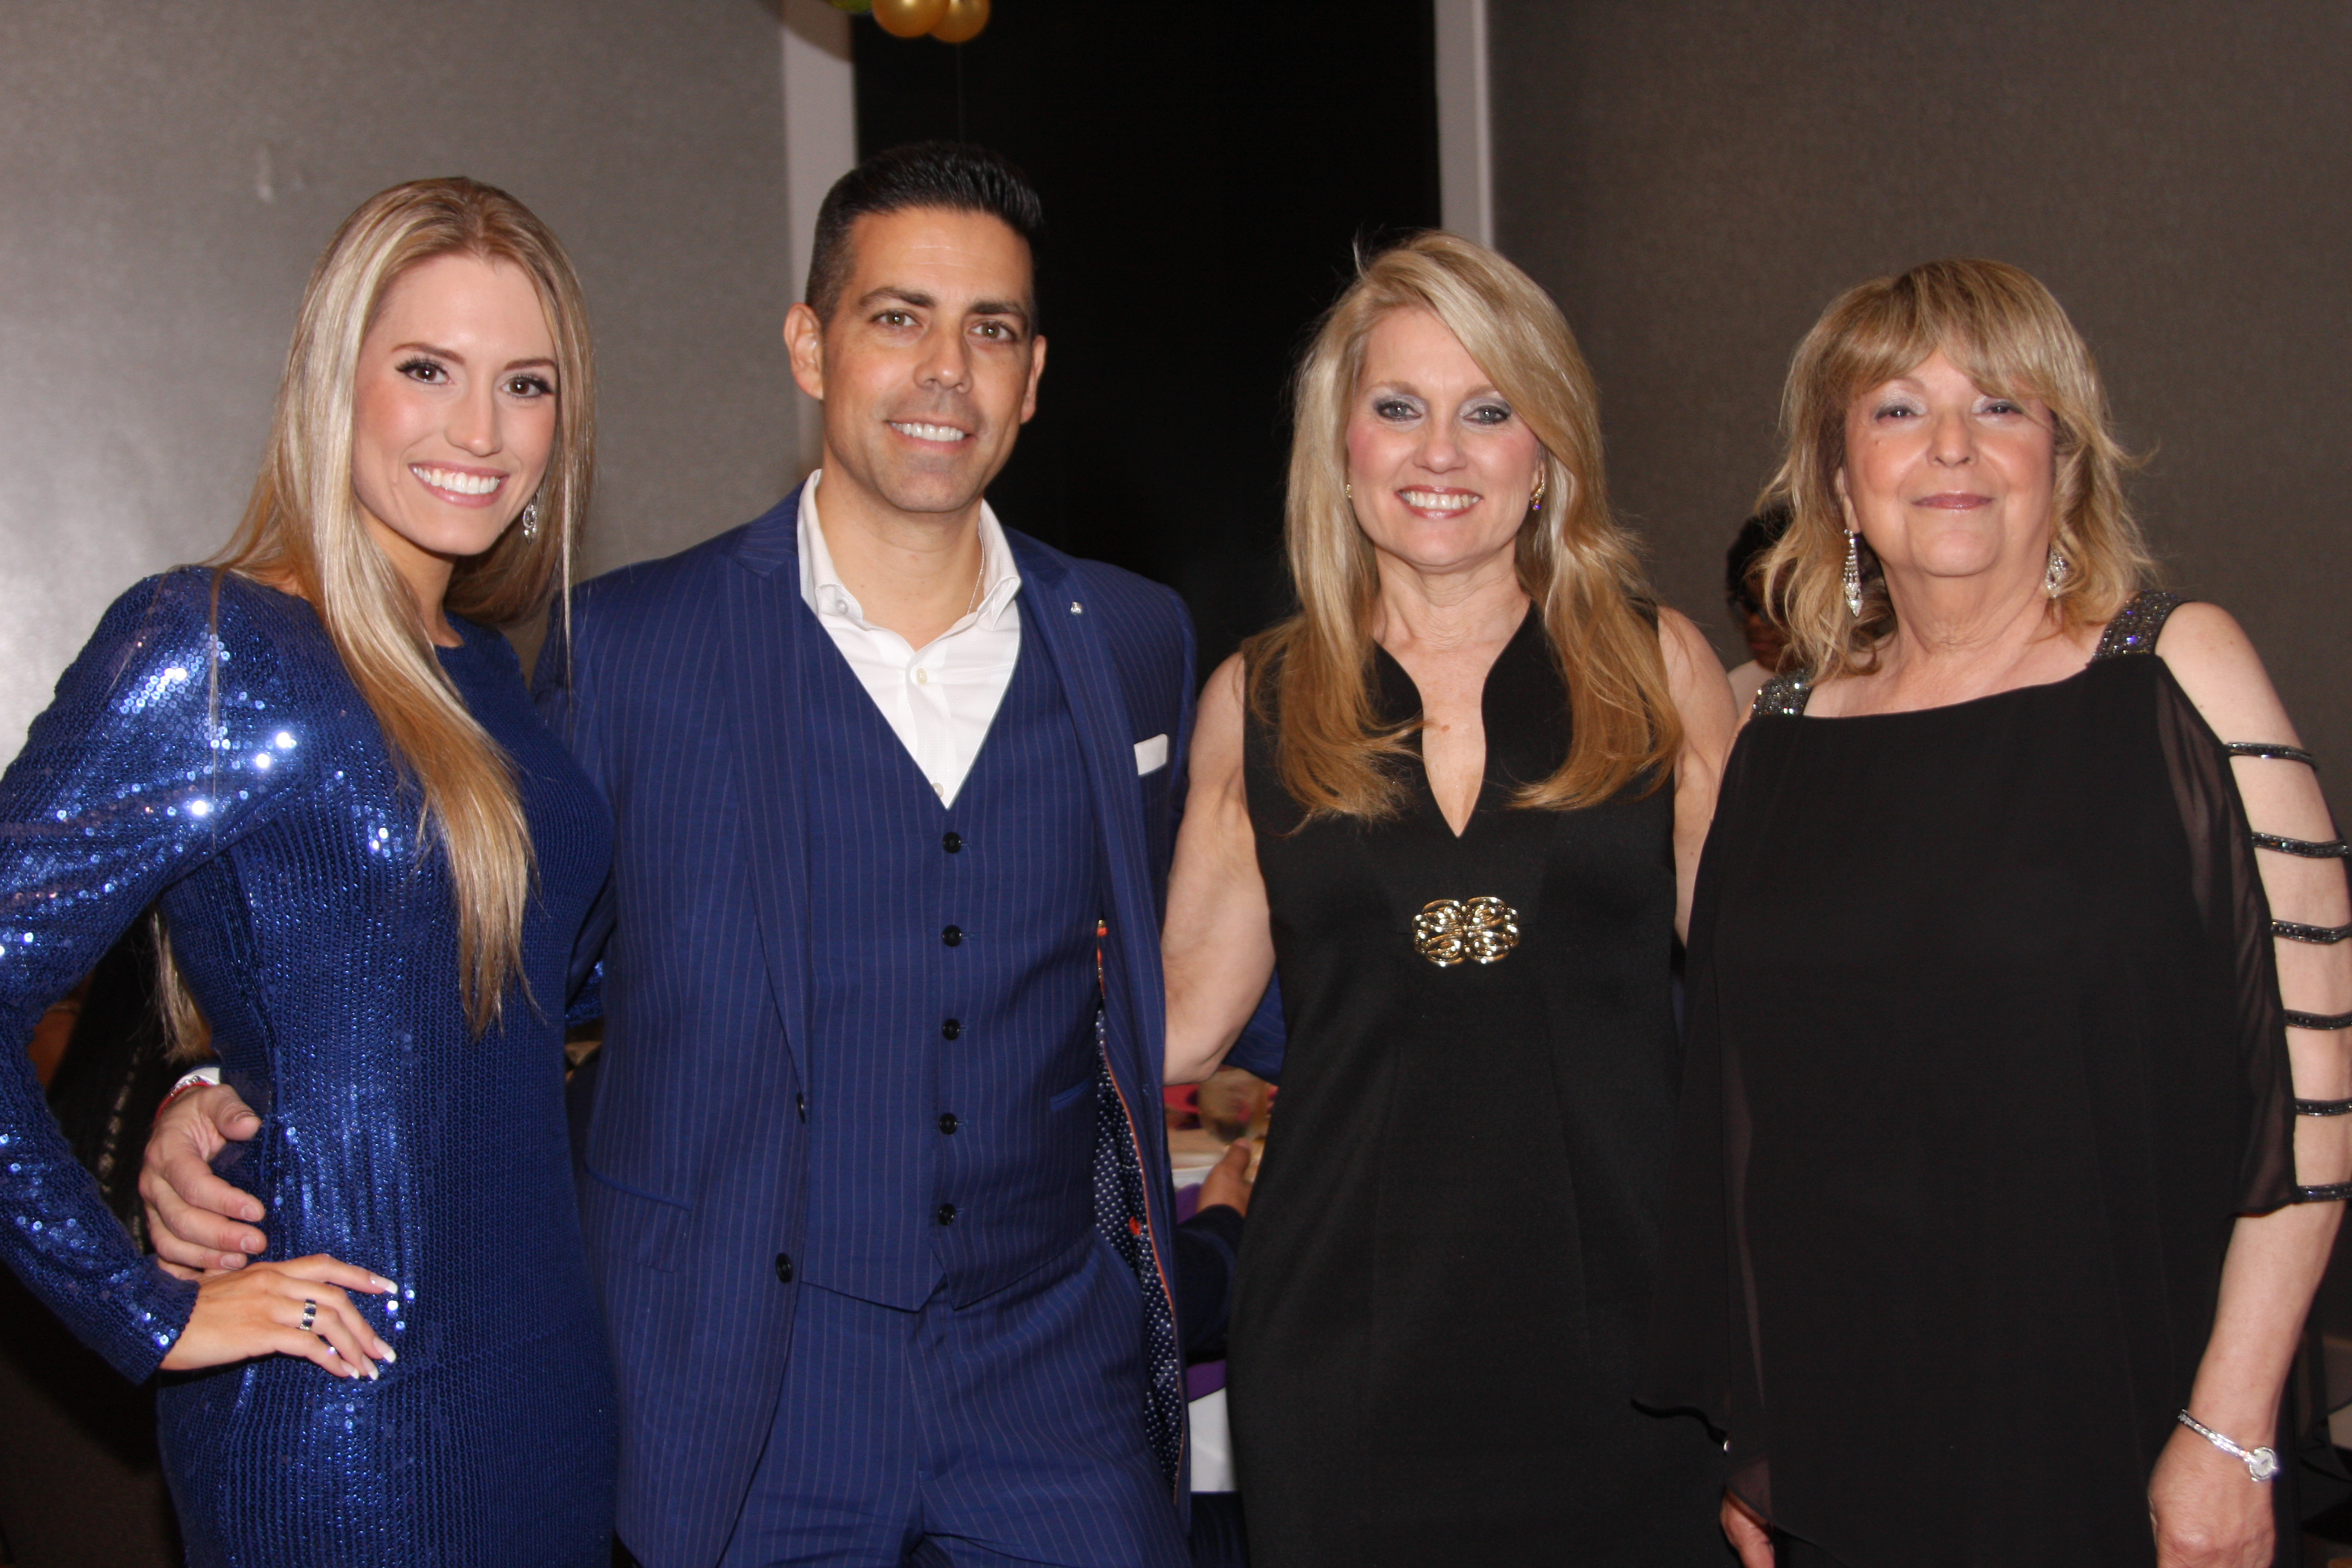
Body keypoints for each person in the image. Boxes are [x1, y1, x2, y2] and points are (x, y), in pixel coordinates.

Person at [145, 142, 1197, 1568]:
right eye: (897, 317)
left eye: (990, 329)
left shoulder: (1130, 642)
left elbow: (1138, 961)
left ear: (1033, 374)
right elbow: (480, 957)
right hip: (740, 1390)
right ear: (810, 347)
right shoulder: (628, 647)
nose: (945, 369)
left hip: (1050, 1385)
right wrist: (221, 1086)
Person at [1639, 258, 2352, 1568]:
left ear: (2063, 462)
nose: (1952, 446)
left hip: (2122, 1410)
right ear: (1839, 481)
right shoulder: (1778, 735)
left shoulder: (2176, 671)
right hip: (1847, 1425)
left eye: (2001, 406)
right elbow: (1745, 1117)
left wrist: (2232, 1425)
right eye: (1897, 410)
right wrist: (1757, 1425)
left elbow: (2313, 1082)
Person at [0, 177, 615, 1563]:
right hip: (345, 1412)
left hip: (547, 1389)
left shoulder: (496, 680)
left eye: (525, 384)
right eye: (427, 370)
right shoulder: (213, 647)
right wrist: (146, 1311)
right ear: (336, 382)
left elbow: (520, 1002)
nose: (480, 431)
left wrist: (213, 1085)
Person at [1160, 230, 1737, 1566]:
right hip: (1346, 1348)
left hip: (1638, 1341)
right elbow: (1180, 1021)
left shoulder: (1657, 669)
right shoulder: (1260, 697)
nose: (1440, 453)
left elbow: (1770, 997)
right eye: (1398, 407)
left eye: (1488, 411)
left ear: (1547, 451)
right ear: (1340, 444)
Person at [1723, 501, 1792, 711]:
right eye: (1748, 605)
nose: (1755, 622)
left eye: (1775, 608)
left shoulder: (1861, 692)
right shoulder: (1738, 687)